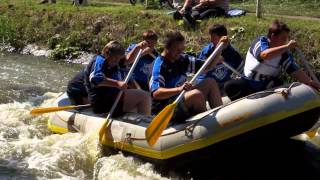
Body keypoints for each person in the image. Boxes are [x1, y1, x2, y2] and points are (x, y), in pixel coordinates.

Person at [224, 20, 320, 101]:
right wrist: (287, 46)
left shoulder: (284, 53)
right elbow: (265, 55)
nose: (285, 41)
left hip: (267, 85)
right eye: (283, 38)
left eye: (286, 39)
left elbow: (294, 70)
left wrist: (310, 82)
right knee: (230, 85)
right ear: (273, 36)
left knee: (279, 84)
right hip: (248, 83)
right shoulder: (260, 42)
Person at [150, 31, 224, 123]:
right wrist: (179, 89)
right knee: (196, 94)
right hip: (165, 107)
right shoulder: (159, 65)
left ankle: (222, 118)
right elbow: (156, 94)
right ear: (167, 47)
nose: (180, 52)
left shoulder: (182, 59)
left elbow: (208, 66)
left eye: (182, 49)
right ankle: (210, 124)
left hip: (181, 98)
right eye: (177, 49)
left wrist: (219, 48)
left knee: (210, 82)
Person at [84, 41, 151, 116]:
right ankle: (145, 123)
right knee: (144, 96)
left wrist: (138, 47)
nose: (117, 61)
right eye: (115, 58)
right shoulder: (99, 60)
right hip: (102, 103)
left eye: (119, 59)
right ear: (107, 53)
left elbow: (128, 59)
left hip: (112, 99)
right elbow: (95, 79)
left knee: (142, 97)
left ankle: (139, 121)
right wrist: (117, 83)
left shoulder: (114, 61)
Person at [197, 24, 244, 93]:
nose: (211, 40)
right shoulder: (207, 51)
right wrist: (214, 60)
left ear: (222, 38)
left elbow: (242, 72)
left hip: (224, 84)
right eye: (210, 37)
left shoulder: (233, 53)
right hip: (206, 83)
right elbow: (200, 70)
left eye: (213, 37)